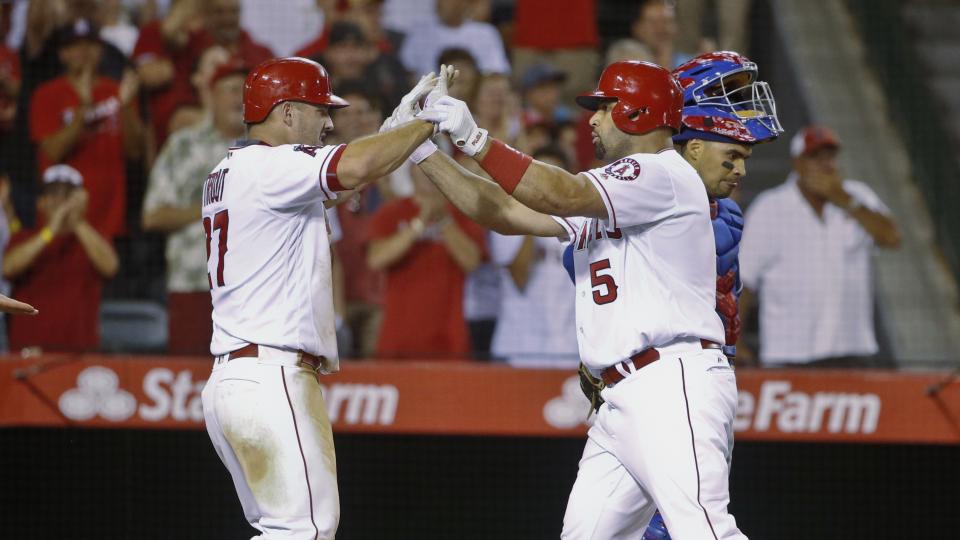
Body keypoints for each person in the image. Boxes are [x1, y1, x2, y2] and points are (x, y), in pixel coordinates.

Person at [408, 60, 746, 538]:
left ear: (636, 111)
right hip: (622, 395)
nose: (592, 119)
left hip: (670, 382)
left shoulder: (661, 172)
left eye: (604, 108)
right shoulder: (619, 189)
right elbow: (505, 211)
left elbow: (559, 194)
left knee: (705, 531)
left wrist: (473, 138)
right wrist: (421, 151)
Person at [199, 57, 444, 539]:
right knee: (304, 530)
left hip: (236, 376)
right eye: (318, 109)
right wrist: (425, 122)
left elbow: (344, 180)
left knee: (285, 528)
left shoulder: (232, 170)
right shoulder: (272, 165)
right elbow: (357, 164)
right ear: (286, 112)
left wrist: (390, 135)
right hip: (271, 374)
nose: (329, 121)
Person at [632, 49, 785, 540]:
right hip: (643, 387)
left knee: (683, 528)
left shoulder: (723, 212)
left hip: (689, 384)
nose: (739, 168)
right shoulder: (637, 191)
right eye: (729, 97)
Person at [739, 125, 901, 367]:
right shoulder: (770, 206)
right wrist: (735, 340)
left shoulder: (857, 195)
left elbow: (892, 238)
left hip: (851, 348)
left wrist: (846, 200)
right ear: (798, 163)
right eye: (815, 157)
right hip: (789, 351)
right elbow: (745, 280)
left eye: (830, 157)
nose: (826, 165)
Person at [142, 60, 247, 355]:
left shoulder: (267, 147)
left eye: (246, 91)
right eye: (230, 90)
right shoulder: (183, 145)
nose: (239, 98)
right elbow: (153, 215)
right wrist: (213, 206)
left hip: (253, 288)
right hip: (193, 282)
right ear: (211, 96)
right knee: (188, 379)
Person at [29, 18, 143, 239]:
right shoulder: (46, 95)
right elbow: (53, 151)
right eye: (74, 45)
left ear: (101, 50)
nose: (83, 51)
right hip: (60, 221)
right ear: (62, 54)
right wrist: (83, 109)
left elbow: (135, 151)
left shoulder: (116, 90)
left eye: (90, 44)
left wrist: (126, 106)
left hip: (111, 219)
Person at [368, 164, 485, 358]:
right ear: (411, 171)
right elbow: (376, 259)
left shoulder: (462, 213)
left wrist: (442, 220)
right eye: (421, 166)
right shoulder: (391, 212)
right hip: (398, 339)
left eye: (432, 164)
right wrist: (419, 223)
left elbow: (471, 262)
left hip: (449, 340)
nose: (428, 173)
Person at [4, 165, 118, 352]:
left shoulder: (90, 239)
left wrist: (77, 222)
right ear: (41, 202)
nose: (61, 202)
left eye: (68, 195)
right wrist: (51, 230)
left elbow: (110, 267)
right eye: (54, 194)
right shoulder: (23, 237)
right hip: (30, 352)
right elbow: (8, 268)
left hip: (79, 357)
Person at [491, 146, 578, 368]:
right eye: (539, 174)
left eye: (553, 175)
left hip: (570, 348)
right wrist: (534, 214)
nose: (545, 185)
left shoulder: (583, 221)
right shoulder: (507, 218)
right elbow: (520, 276)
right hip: (519, 349)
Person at [399, 0, 509, 77]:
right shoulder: (419, 31)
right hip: (427, 102)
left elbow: (496, 73)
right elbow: (407, 72)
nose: (441, 3)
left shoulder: (486, 33)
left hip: (472, 102)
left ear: (465, 2)